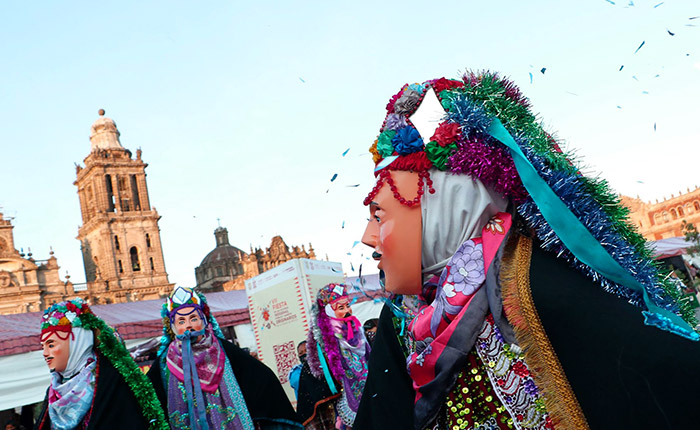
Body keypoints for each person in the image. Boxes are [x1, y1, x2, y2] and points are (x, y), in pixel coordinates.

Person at [354, 72, 700, 430]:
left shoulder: (528, 281)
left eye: (379, 215)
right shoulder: (400, 319)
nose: (367, 237)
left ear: (443, 212)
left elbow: (657, 374)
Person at [146, 286, 303, 430]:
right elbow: (147, 396)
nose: (188, 325)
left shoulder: (224, 351)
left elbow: (262, 379)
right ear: (172, 326)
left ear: (204, 320)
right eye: (181, 321)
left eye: (193, 318)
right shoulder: (165, 362)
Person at [35, 298, 168, 430]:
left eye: (51, 345)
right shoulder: (54, 390)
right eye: (43, 347)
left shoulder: (112, 381)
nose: (45, 353)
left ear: (78, 343)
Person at [304, 284, 370, 430]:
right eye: (341, 308)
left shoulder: (356, 327)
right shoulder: (327, 336)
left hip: (368, 383)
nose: (347, 311)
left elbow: (368, 354)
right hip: (345, 390)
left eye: (347, 306)